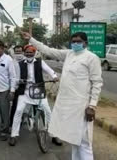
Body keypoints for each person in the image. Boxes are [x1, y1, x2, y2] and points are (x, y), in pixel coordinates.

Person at [21, 31, 103, 160]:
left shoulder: (91, 58)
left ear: (85, 43)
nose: (75, 43)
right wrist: (31, 39)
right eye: (73, 41)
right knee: (74, 140)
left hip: (81, 106)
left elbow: (97, 83)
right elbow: (48, 50)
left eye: (78, 41)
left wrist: (92, 106)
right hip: (66, 104)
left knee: (84, 141)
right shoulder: (69, 54)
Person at [8, 45, 61, 146]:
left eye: (31, 52)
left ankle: (54, 136)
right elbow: (15, 78)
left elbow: (49, 70)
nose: (28, 54)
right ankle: (14, 135)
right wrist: (13, 90)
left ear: (34, 52)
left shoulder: (40, 62)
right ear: (24, 53)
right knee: (18, 111)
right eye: (27, 52)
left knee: (48, 111)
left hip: (38, 91)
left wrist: (54, 76)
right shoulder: (19, 64)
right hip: (25, 92)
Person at [9, 45, 24, 128]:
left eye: (20, 51)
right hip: (15, 87)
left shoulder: (26, 60)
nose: (18, 53)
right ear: (14, 52)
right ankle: (12, 124)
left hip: (25, 86)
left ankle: (22, 121)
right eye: (17, 51)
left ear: (22, 52)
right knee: (15, 106)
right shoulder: (11, 61)